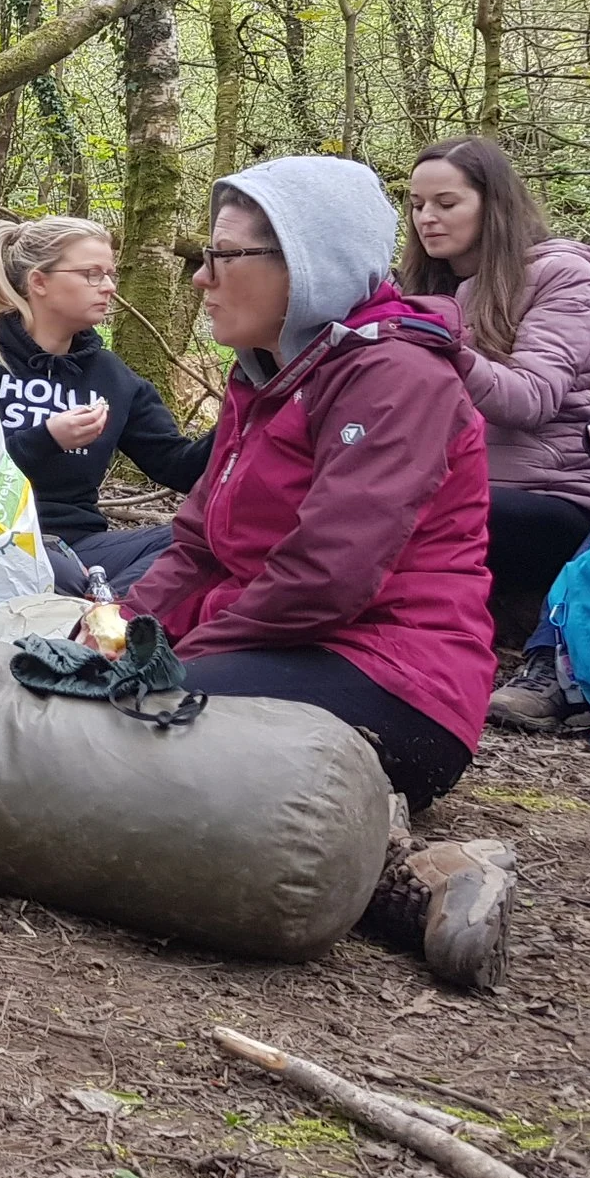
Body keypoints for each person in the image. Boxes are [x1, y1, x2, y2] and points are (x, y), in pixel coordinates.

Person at [125, 155, 511, 989]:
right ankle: (381, 842)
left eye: (224, 257)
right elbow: (193, 547)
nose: (201, 279)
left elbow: (327, 576)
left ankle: (412, 872)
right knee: (116, 703)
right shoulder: (266, 375)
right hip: (290, 651)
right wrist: (125, 636)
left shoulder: (395, 375)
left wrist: (176, 666)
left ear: (305, 265)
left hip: (400, 682)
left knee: (149, 720)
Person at [395, 138, 590, 734]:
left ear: (494, 206)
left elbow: (531, 399)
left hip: (555, 498)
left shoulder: (560, 275)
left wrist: (445, 346)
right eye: (416, 205)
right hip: (463, 487)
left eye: (446, 202)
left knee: (423, 510)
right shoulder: (424, 287)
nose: (427, 218)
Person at [0, 217, 210, 596]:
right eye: (92, 274)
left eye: (111, 274)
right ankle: (96, 610)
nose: (108, 287)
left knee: (198, 541)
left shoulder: (111, 376)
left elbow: (178, 465)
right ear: (39, 282)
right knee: (57, 572)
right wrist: (47, 439)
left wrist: (251, 414)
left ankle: (102, 620)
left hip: (80, 547)